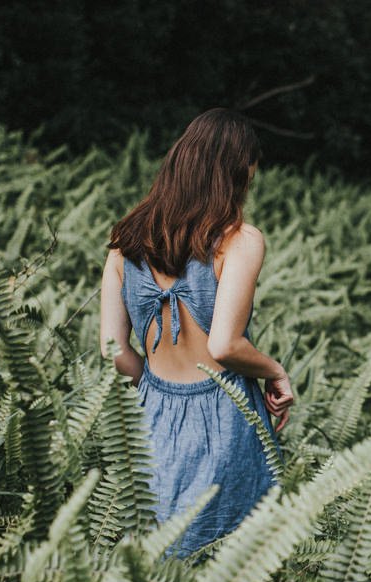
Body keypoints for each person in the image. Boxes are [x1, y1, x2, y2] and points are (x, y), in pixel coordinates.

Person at [99, 108, 293, 555]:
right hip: (224, 415)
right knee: (229, 562)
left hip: (149, 412)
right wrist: (275, 371)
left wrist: (150, 386)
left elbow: (113, 349)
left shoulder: (124, 241)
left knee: (152, 556)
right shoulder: (240, 240)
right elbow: (224, 345)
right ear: (237, 172)